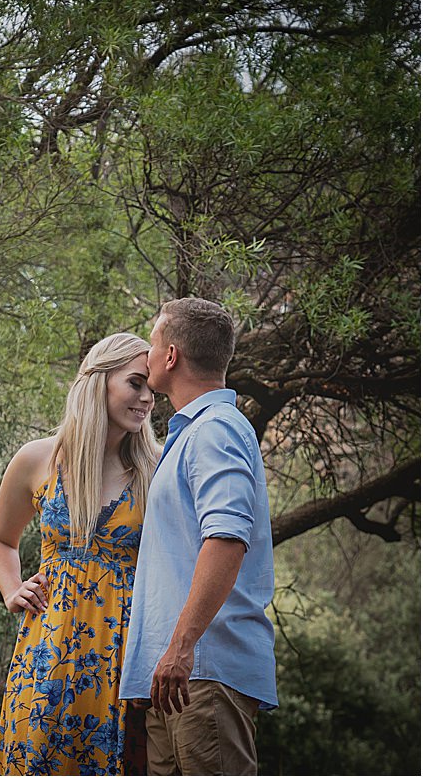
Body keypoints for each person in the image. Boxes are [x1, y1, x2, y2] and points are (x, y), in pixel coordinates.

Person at [0, 332, 160, 775]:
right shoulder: (38, 459)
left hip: (123, 655)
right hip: (48, 646)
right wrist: (11, 589)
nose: (146, 399)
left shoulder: (156, 469)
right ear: (98, 382)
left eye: (152, 391)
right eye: (136, 383)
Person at [119, 297, 277, 775]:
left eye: (151, 343)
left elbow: (227, 539)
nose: (146, 357)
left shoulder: (216, 430)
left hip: (201, 670)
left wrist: (182, 646)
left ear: (170, 357)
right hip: (174, 678)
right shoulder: (188, 435)